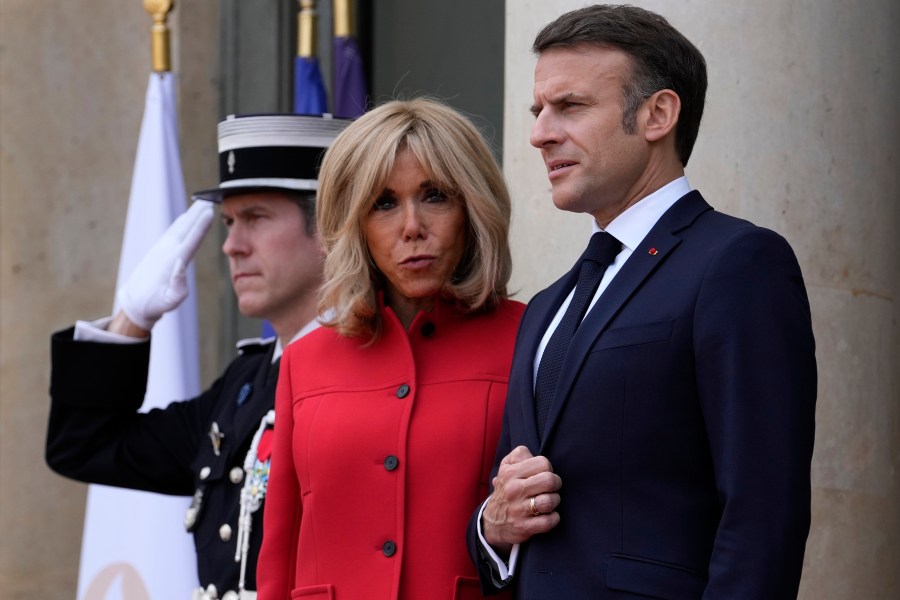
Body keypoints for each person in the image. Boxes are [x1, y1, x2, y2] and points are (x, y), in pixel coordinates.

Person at [467, 5, 817, 599]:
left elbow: (764, 514)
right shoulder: (548, 306)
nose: (539, 133)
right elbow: (519, 509)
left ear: (658, 114)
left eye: (570, 106)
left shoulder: (738, 263)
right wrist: (492, 529)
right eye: (538, 111)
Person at [46, 113, 349, 600]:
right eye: (228, 222)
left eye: (255, 217)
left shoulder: (371, 374)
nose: (231, 245)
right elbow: (85, 447)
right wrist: (131, 321)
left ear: (331, 227)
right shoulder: (247, 382)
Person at [256, 98, 524, 600]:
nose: (411, 227)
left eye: (435, 196)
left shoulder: (530, 339)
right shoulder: (304, 360)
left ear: (472, 206)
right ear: (354, 224)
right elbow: (279, 551)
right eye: (384, 203)